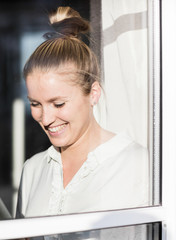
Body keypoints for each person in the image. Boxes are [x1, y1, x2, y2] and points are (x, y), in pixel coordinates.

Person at [16, 6, 149, 219]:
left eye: (58, 104)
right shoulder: (32, 169)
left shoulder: (138, 166)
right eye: (35, 104)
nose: (46, 119)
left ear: (93, 93)